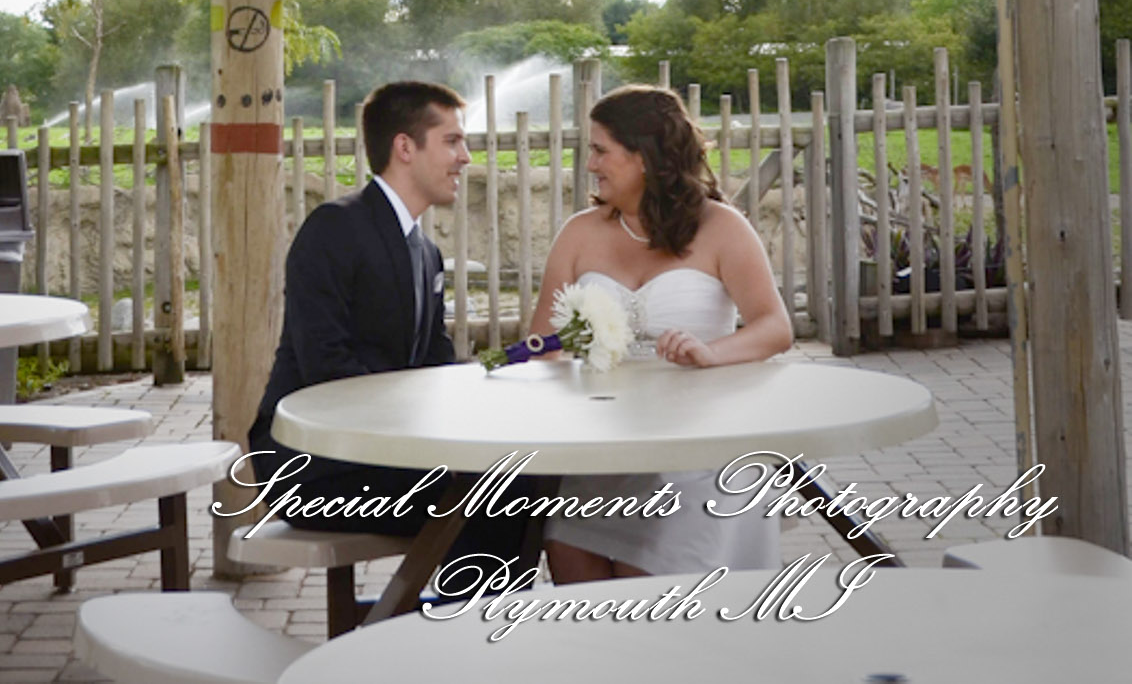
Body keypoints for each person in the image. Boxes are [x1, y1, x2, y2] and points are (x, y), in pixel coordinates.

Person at [527, 82, 792, 582]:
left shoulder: (722, 228)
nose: (590, 165)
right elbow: (544, 348)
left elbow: (775, 327)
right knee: (567, 549)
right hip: (605, 446)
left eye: (601, 151)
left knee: (645, 575)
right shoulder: (580, 233)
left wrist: (712, 353)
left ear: (644, 157)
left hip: (696, 447)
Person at [248, 79, 469, 520]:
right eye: (452, 141)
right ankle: (468, 591)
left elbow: (436, 362)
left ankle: (469, 592)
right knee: (493, 490)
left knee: (522, 475)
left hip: (382, 452)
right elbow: (327, 365)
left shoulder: (426, 253)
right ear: (405, 147)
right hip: (312, 463)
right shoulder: (335, 228)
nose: (465, 157)